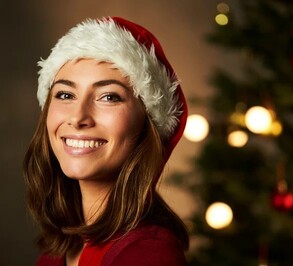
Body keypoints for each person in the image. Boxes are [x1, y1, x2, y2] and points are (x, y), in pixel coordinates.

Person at [23, 16, 189, 266]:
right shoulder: (59, 249)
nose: (78, 117)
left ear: (146, 124)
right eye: (65, 94)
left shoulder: (148, 255)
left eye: (109, 97)